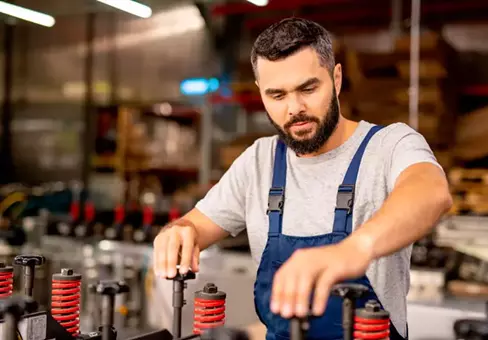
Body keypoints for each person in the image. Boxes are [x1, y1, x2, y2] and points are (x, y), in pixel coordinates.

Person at [153, 17, 452, 340]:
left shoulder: (388, 145)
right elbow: (194, 227)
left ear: (336, 79)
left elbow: (431, 191)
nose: (295, 108)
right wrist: (178, 232)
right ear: (261, 93)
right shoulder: (260, 160)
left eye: (308, 88)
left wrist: (355, 249)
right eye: (277, 95)